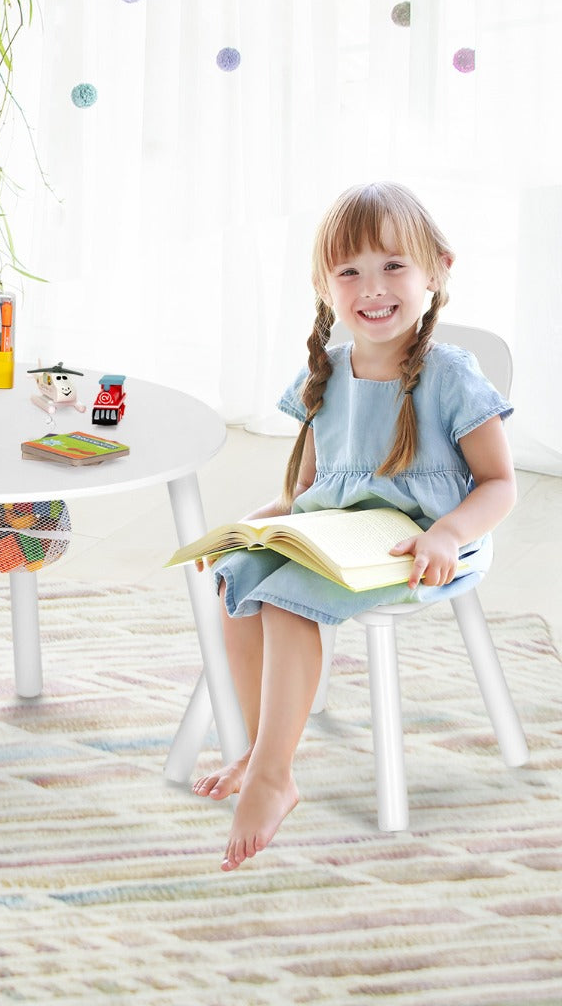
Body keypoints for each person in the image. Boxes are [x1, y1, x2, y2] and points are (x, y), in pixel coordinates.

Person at [193, 182, 516, 871]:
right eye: (350, 271)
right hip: (342, 535)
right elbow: (310, 493)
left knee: (286, 600)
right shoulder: (325, 375)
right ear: (323, 284)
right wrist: (252, 526)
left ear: (438, 269)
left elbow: (499, 484)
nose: (373, 288)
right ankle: (261, 747)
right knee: (238, 577)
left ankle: (274, 774)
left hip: (423, 544)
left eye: (393, 266)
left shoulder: (451, 376)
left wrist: (447, 536)